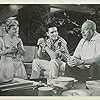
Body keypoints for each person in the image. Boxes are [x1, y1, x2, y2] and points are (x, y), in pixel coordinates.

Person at [0, 17, 27, 83]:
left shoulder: (18, 40)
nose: (16, 30)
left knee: (19, 63)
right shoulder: (2, 39)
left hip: (15, 59)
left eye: (17, 28)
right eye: (14, 29)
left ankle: (18, 84)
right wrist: (8, 51)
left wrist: (20, 47)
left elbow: (24, 54)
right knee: (10, 63)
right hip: (5, 60)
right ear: (8, 30)